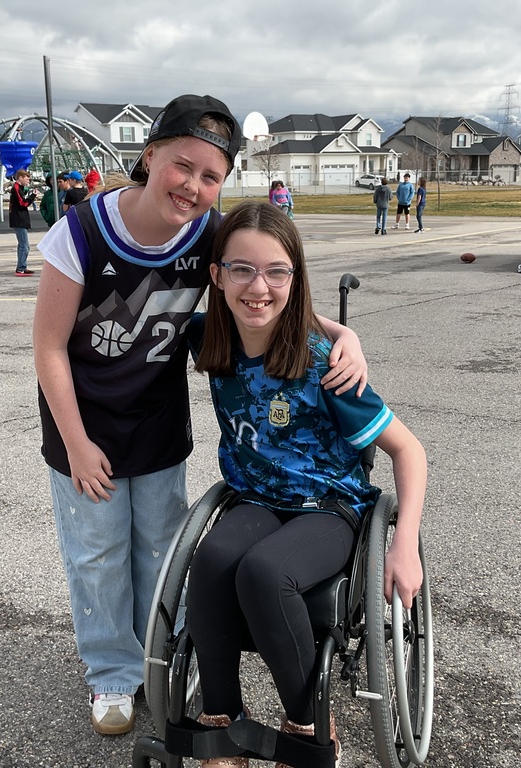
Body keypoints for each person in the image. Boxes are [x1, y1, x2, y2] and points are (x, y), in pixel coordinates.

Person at [31, 94, 367, 737]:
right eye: (182, 166)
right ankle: (111, 672)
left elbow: (263, 285)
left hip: (156, 418)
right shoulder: (80, 232)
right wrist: (74, 441)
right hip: (84, 421)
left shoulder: (208, 235)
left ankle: (159, 657)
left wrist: (338, 333)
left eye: (211, 176)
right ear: (150, 155)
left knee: (161, 549)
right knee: (98, 553)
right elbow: (48, 348)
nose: (192, 185)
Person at [183, 201, 428, 767]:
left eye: (276, 271)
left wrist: (405, 545)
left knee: (265, 572)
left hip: (328, 506)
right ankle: (222, 719)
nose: (258, 287)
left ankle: (308, 724)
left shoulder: (327, 366)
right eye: (242, 269)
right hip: (255, 498)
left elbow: (409, 451)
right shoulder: (208, 337)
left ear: (295, 278)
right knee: (211, 559)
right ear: (217, 275)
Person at [8, 168, 37, 276]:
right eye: (26, 179)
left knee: (23, 245)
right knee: (24, 245)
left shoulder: (18, 188)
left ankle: (22, 266)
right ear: (20, 178)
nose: (28, 181)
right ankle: (21, 268)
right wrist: (32, 196)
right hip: (18, 219)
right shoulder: (16, 188)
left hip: (19, 219)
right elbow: (23, 204)